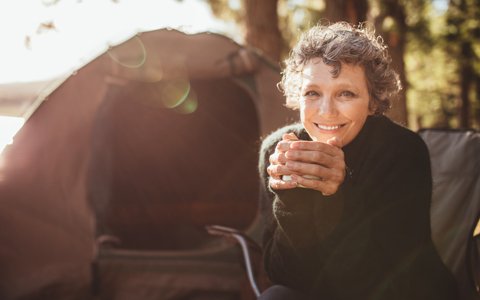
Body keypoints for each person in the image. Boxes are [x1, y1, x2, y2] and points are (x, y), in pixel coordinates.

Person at [258, 22, 458, 300]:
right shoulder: (278, 151)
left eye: (346, 93)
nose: (326, 112)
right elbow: (283, 273)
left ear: (373, 101)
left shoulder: (401, 152)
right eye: (312, 93)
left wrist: (338, 192)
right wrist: (291, 200)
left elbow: (384, 280)